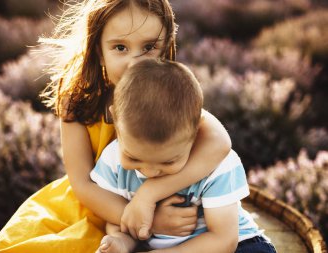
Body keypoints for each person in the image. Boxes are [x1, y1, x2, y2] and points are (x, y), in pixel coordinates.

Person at [0, 1, 232, 252]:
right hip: (98, 207)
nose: (134, 63)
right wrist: (143, 220)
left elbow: (219, 143)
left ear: (166, 46)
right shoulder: (77, 103)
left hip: (157, 201)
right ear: (98, 51)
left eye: (149, 47)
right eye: (120, 47)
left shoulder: (166, 97)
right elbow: (82, 184)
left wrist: (149, 195)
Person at [91, 59, 277, 253]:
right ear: (115, 120)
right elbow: (124, 221)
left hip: (235, 245)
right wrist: (120, 242)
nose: (150, 171)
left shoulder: (217, 166)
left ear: (196, 133)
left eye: (168, 161)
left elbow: (223, 240)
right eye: (133, 159)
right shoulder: (112, 161)